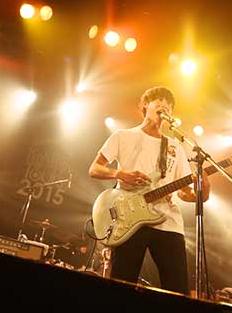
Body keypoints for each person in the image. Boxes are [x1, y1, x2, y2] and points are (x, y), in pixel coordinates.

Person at [88, 86, 210, 296]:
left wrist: (203, 192)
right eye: (159, 101)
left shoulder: (175, 146)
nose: (165, 106)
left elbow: (184, 192)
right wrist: (120, 173)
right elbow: (94, 168)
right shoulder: (123, 136)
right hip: (128, 218)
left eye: (169, 105)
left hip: (168, 222)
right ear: (145, 105)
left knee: (178, 290)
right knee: (121, 284)